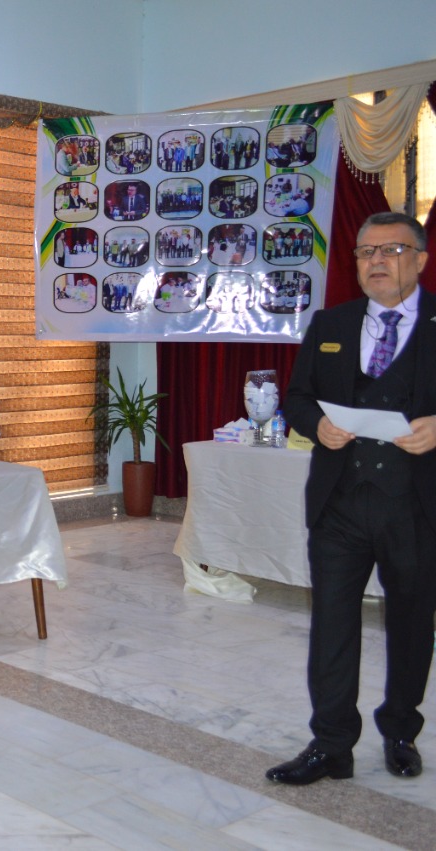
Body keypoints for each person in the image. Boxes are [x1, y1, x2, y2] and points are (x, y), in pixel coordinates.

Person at [268, 212, 436, 786]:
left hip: (415, 506)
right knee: (332, 626)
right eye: (366, 252)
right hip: (339, 503)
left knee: (411, 623)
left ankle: (400, 731)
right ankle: (332, 743)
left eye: (392, 250)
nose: (377, 261)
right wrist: (316, 424)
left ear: (420, 259)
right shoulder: (330, 323)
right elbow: (297, 397)